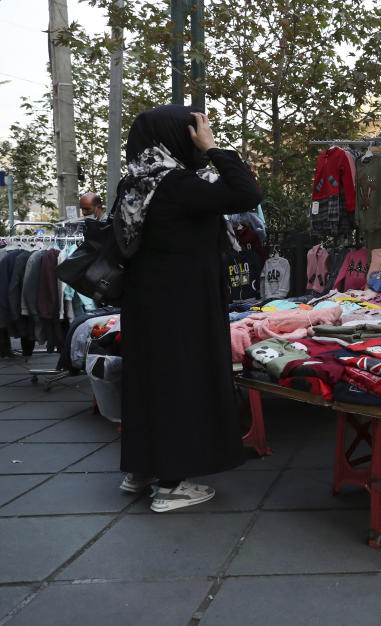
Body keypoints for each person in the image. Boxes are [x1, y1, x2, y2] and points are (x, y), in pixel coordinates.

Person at [115, 105, 261, 512]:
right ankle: (171, 485)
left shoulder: (135, 183)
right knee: (183, 382)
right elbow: (246, 194)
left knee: (149, 382)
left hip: (145, 302)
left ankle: (142, 469)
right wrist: (215, 149)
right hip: (184, 303)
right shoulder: (176, 184)